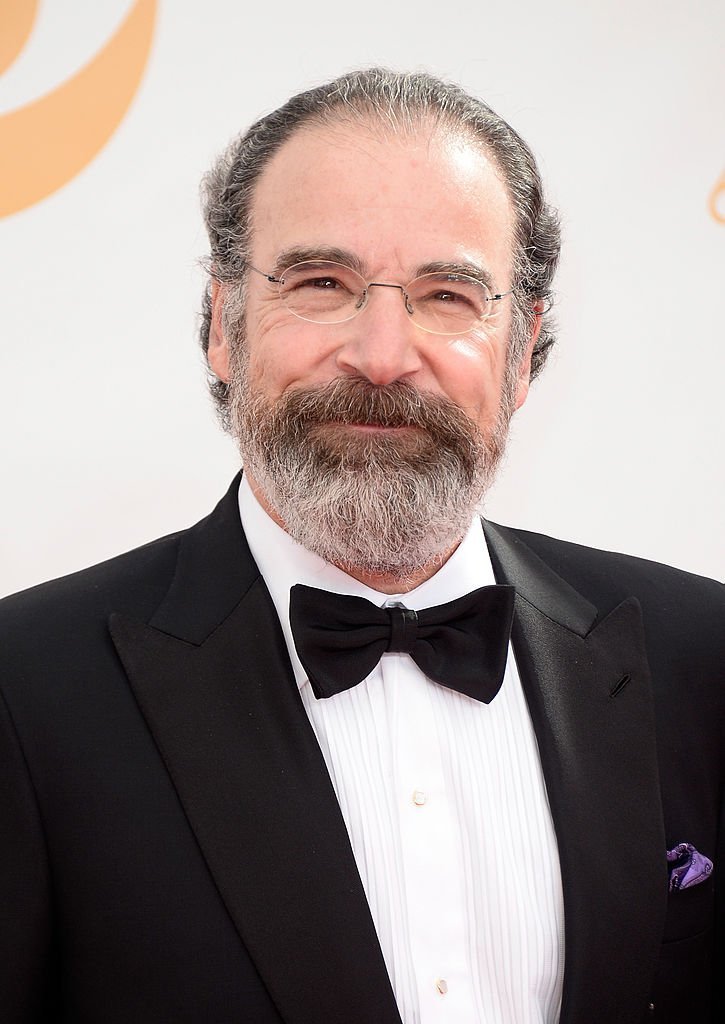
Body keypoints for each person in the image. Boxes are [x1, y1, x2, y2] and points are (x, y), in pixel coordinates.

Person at [0, 68, 722, 1024]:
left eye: (448, 295)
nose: (383, 355)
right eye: (322, 284)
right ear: (223, 326)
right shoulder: (24, 689)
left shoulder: (703, 656)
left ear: (523, 348)